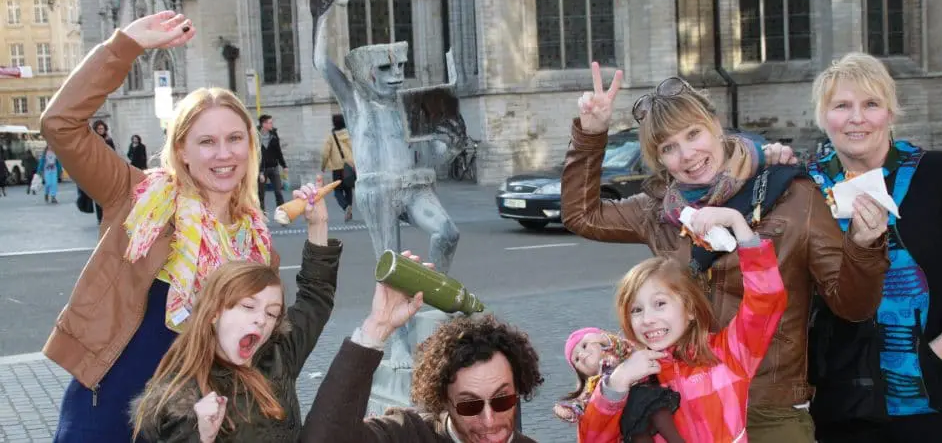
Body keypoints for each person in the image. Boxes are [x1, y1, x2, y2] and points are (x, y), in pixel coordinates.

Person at [561, 62, 889, 440]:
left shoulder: (792, 195)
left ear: (715, 126)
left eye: (693, 134)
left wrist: (863, 246)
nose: (687, 154)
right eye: (669, 147)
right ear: (659, 158)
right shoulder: (658, 211)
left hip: (767, 407)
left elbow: (853, 306)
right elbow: (581, 215)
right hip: (685, 406)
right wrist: (591, 134)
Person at [42, 10, 280, 442]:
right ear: (182, 150)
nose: (223, 154)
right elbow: (60, 124)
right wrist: (124, 46)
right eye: (206, 141)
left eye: (234, 138)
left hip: (188, 423)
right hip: (107, 412)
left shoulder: (257, 245)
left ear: (249, 145)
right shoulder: (138, 196)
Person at [805, 52, 942, 443]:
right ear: (823, 117)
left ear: (891, 113)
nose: (857, 118)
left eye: (871, 104)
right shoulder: (804, 188)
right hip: (842, 406)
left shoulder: (940, 175)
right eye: (841, 106)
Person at [131, 177, 341, 442]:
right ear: (214, 312)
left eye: (272, 313)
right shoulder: (184, 396)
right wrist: (204, 437)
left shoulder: (278, 355)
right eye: (248, 306)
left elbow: (315, 298)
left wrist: (318, 223)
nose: (261, 320)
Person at [580, 212, 788, 442]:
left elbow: (767, 299)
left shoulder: (728, 353)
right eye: (636, 310)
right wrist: (616, 384)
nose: (647, 319)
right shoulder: (629, 375)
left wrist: (738, 223)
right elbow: (593, 439)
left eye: (660, 304)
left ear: (689, 309)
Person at [299, 266, 544, 443]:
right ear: (443, 400)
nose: (489, 421)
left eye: (502, 401)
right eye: (470, 405)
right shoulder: (408, 434)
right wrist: (377, 328)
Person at [556, 327, 684, 443]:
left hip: (644, 396)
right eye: (576, 359)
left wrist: (605, 339)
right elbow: (582, 406)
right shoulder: (593, 386)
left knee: (661, 416)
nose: (582, 355)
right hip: (628, 418)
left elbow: (624, 346)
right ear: (582, 374)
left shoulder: (620, 356)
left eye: (584, 345)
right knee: (639, 436)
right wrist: (569, 411)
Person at [321, 113, 355, 222]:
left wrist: (323, 166)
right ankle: (349, 209)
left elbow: (325, 153)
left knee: (337, 191)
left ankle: (345, 206)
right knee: (348, 189)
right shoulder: (349, 134)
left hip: (337, 168)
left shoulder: (331, 137)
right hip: (349, 166)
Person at [257, 114, 287, 212]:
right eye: (270, 123)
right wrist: (260, 172)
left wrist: (284, 165)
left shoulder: (274, 134)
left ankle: (282, 213)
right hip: (262, 170)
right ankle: (262, 215)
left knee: (278, 192)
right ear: (263, 124)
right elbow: (255, 156)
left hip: (274, 167)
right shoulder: (255, 136)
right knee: (261, 194)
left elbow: (278, 151)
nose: (272, 124)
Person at [92, 119, 116, 224]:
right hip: (97, 170)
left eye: (102, 128)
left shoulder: (109, 140)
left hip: (108, 170)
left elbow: (114, 154)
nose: (100, 130)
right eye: (99, 129)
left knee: (109, 195)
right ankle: (100, 217)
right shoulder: (93, 140)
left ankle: (109, 216)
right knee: (98, 196)